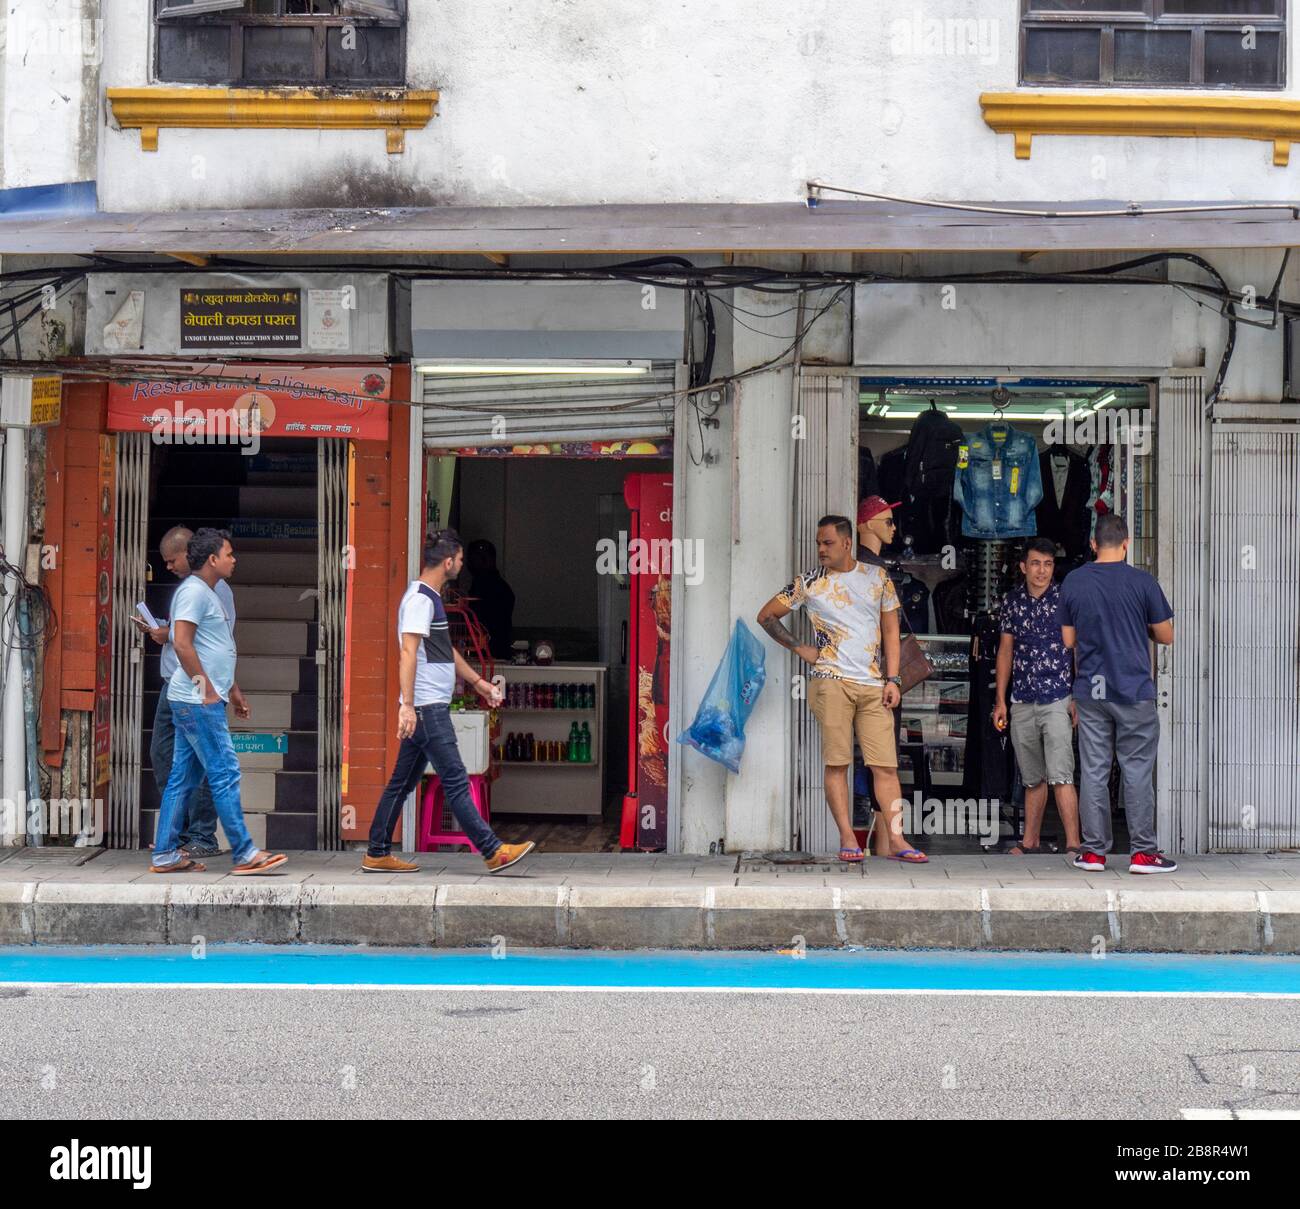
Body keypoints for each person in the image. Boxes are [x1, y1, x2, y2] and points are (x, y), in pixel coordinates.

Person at [363, 528, 535, 874]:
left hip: (427, 706)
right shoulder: (420, 601)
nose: (461, 564)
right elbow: (408, 652)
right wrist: (407, 705)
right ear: (447, 561)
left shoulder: (431, 599)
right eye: (458, 559)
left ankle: (377, 852)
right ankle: (492, 851)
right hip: (427, 708)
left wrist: (479, 684)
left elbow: (446, 651)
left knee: (402, 782)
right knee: (456, 779)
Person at [757, 514, 926, 864]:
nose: (821, 548)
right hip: (831, 682)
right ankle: (847, 836)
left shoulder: (876, 578)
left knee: (886, 767)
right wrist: (801, 648)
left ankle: (897, 839)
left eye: (828, 542)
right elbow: (767, 616)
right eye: (819, 542)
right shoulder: (809, 583)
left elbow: (891, 631)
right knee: (838, 763)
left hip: (873, 684)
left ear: (847, 543)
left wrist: (893, 679)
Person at [150, 528, 286, 875]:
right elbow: (181, 643)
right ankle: (244, 852)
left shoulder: (209, 593)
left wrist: (233, 690)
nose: (234, 559)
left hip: (196, 697)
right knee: (225, 772)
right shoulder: (194, 593)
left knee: (182, 778)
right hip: (196, 701)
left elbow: (213, 649)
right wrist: (207, 689)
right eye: (228, 554)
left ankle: (165, 853)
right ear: (212, 559)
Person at [1058, 514, 1177, 874]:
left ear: (1094, 544)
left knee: (1093, 770)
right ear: (1126, 543)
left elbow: (1068, 641)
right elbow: (1167, 634)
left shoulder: (1074, 582)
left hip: (1091, 691)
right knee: (1137, 769)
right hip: (1134, 690)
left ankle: (1093, 853)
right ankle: (1143, 854)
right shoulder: (1143, 582)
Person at [134, 525, 243, 859]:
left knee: (210, 765)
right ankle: (175, 839)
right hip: (183, 688)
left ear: (190, 554)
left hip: (196, 690)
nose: (168, 567)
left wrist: (210, 689)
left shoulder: (208, 590)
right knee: (172, 760)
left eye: (171, 560)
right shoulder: (192, 590)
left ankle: (202, 836)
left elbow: (200, 643)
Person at [993, 538, 1083, 856]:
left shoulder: (1065, 600)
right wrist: (1001, 700)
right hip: (1022, 698)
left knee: (1061, 774)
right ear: (1023, 567)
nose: (1041, 571)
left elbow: (1076, 650)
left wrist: (1077, 696)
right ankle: (1028, 842)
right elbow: (1006, 650)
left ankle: (1073, 843)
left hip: (1058, 695)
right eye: (1035, 563)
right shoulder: (1013, 601)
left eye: (1047, 564)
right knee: (1031, 777)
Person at [465, 539, 516, 660]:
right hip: (486, 652)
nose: (471, 563)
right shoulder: (481, 584)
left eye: (479, 559)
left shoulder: (493, 586)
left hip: (493, 653)